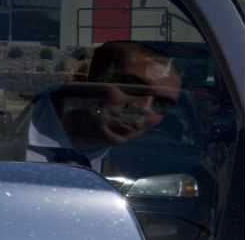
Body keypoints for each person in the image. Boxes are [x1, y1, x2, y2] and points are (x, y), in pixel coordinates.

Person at [25, 40, 182, 174]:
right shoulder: (3, 134)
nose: (144, 108)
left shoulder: (132, 178)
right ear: (85, 77)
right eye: (133, 87)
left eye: (161, 105)